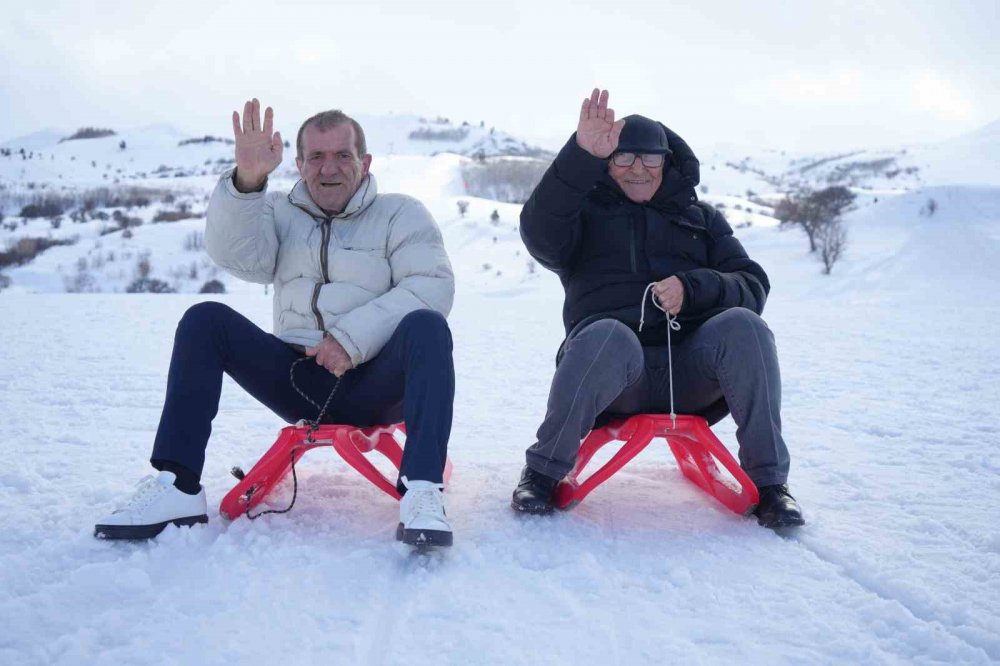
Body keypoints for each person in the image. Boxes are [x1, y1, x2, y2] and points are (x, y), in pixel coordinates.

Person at [95, 99, 457, 547]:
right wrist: (247, 182)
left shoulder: (401, 213)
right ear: (300, 164)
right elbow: (238, 256)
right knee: (204, 320)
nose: (330, 167)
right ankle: (178, 487)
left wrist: (349, 339)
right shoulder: (278, 213)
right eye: (317, 157)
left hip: (377, 383)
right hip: (298, 378)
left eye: (342, 155)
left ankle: (422, 491)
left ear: (364, 163)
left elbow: (431, 286)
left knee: (427, 326)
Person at [511, 89, 805, 529]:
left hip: (691, 372)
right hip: (611, 375)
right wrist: (579, 156)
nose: (637, 170)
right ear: (608, 164)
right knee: (608, 333)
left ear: (666, 163)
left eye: (649, 160)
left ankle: (770, 486)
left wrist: (694, 289)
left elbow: (752, 284)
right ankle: (542, 473)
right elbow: (539, 231)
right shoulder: (583, 215)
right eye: (624, 158)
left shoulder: (701, 219)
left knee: (746, 326)